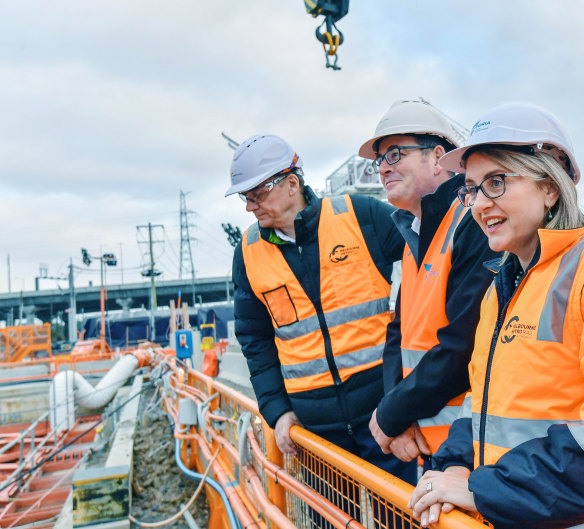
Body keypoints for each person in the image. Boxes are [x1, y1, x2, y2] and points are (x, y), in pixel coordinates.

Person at [409, 102, 584, 529]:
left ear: (550, 187)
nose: (479, 204)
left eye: (497, 182)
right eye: (471, 188)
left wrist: (478, 490)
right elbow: (484, 402)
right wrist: (453, 465)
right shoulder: (501, 288)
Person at [226, 135, 417, 492]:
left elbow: (432, 257)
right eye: (245, 197)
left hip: (385, 418)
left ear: (292, 183)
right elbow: (255, 342)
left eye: (258, 194)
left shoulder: (362, 217)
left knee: (398, 517)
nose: (251, 207)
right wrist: (278, 411)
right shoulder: (249, 254)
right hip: (316, 436)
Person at [359, 100, 498, 464]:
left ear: (438, 157)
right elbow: (398, 334)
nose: (382, 169)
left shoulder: (474, 223)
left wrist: (391, 416)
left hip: (470, 451)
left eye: (394, 155)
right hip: (424, 444)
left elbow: (461, 344)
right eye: (379, 161)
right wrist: (397, 415)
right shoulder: (414, 236)